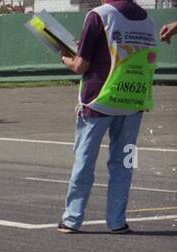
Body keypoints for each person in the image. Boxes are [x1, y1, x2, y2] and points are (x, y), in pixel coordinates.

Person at [57, 0, 158, 233]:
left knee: (84, 160)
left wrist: (64, 58)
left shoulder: (98, 16)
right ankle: (117, 221)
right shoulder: (147, 19)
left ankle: (72, 219)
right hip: (133, 102)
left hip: (98, 102)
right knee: (124, 164)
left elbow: (81, 66)